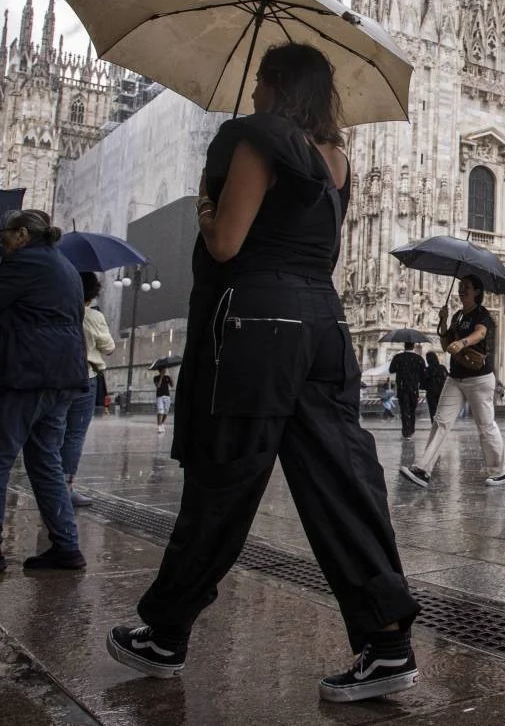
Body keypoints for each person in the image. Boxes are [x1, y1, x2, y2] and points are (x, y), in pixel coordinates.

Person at [106, 44, 420, 702]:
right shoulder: (338, 159)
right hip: (323, 326)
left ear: (277, 87)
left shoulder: (254, 142)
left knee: (224, 479)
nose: (252, 94)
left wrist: (204, 200)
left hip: (258, 326)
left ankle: (165, 631)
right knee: (342, 481)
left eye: (259, 83)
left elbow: (225, 243)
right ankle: (387, 641)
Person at [0, 209, 89, 572]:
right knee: (45, 461)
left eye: (4, 236)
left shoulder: (24, 263)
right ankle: (66, 546)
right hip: (64, 375)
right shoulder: (65, 266)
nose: (2, 242)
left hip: (29, 373)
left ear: (21, 234)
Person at [400, 275, 505, 489]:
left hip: (479, 378)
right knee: (440, 422)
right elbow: (446, 342)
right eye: (460, 287)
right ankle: (423, 469)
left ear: (477, 291)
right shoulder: (458, 316)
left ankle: (498, 471)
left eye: (466, 287)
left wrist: (463, 341)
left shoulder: (481, 313)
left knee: (485, 426)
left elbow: (481, 332)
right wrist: (443, 320)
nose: (460, 291)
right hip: (455, 377)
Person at [62, 272, 115, 507]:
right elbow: (109, 347)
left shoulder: (60, 309)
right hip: (86, 376)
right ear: (93, 292)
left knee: (54, 433)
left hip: (58, 377)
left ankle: (49, 485)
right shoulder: (92, 316)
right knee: (74, 435)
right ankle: (66, 487)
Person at [388, 342, 426, 439]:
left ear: (404, 346)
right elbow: (423, 372)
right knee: (412, 409)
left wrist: (401, 368)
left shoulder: (398, 357)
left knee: (404, 409)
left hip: (402, 387)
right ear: (413, 346)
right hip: (414, 388)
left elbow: (391, 370)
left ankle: (406, 431)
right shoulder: (418, 358)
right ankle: (412, 430)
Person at [422, 351, 448, 422]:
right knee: (441, 410)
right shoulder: (442, 368)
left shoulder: (427, 370)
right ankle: (441, 424)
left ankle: (434, 425)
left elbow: (423, 383)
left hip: (431, 393)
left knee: (432, 410)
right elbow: (448, 379)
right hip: (442, 392)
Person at [153, 366, 173, 434]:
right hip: (159, 396)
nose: (165, 370)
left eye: (165, 369)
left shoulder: (167, 377)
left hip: (167, 396)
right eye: (164, 369)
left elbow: (172, 385)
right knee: (160, 411)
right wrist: (161, 377)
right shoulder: (156, 378)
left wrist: (171, 378)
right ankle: (159, 426)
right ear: (160, 370)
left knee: (166, 412)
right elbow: (158, 386)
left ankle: (162, 423)